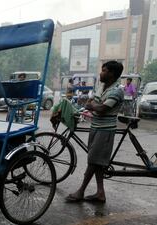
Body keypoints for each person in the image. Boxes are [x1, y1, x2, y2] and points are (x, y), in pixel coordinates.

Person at [66, 61, 124, 203]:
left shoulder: (116, 90)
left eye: (104, 70)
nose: (101, 73)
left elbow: (102, 109)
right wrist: (92, 105)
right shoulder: (102, 86)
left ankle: (81, 191)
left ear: (111, 74)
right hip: (96, 127)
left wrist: (93, 105)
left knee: (93, 161)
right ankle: (100, 193)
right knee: (97, 162)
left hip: (105, 130)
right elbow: (91, 103)